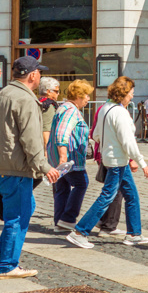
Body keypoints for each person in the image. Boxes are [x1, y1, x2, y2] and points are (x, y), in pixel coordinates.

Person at [0, 58, 60, 279]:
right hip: (16, 166)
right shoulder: (25, 99)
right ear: (31, 75)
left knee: (26, 206)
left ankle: (1, 252)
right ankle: (7, 265)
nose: (39, 76)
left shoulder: (2, 94)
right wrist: (44, 165)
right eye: (39, 72)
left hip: (1, 164)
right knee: (18, 216)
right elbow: (30, 138)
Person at [66, 76, 148, 247]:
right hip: (117, 161)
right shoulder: (120, 112)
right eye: (131, 93)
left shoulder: (105, 108)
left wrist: (109, 142)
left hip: (113, 158)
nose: (132, 97)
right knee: (107, 196)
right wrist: (142, 162)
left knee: (131, 196)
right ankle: (80, 231)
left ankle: (134, 233)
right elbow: (128, 142)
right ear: (123, 94)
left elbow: (95, 134)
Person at [48, 80, 93, 231]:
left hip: (57, 158)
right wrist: (63, 157)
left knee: (62, 187)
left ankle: (60, 222)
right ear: (78, 95)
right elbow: (62, 133)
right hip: (70, 159)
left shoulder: (64, 107)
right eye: (86, 95)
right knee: (81, 183)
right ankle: (68, 218)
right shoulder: (71, 110)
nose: (88, 98)